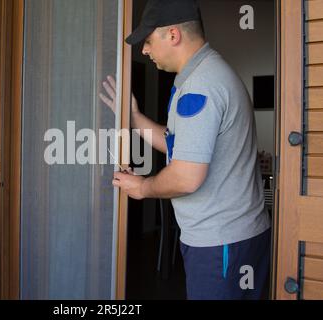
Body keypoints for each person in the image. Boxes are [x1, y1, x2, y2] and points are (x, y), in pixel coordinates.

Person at [99, 0, 271, 300]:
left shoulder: (200, 86)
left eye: (148, 41)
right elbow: (180, 145)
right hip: (234, 237)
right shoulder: (205, 74)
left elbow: (186, 176)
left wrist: (142, 187)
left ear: (173, 35)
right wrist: (134, 118)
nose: (144, 51)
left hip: (222, 243)